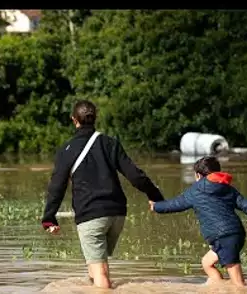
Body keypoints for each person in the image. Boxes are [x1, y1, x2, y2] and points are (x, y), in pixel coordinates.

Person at [41, 99, 165, 289]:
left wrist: (49, 218)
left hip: (91, 215)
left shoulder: (67, 150)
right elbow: (134, 175)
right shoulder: (109, 143)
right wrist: (155, 195)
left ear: (74, 120)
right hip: (117, 214)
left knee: (100, 273)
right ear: (95, 118)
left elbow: (57, 186)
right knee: (96, 267)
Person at [149, 156, 247, 287]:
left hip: (223, 237)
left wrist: (155, 206)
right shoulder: (228, 189)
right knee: (207, 262)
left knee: (240, 286)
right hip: (236, 234)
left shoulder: (195, 190)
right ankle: (219, 287)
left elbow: (174, 205)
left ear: (198, 175)